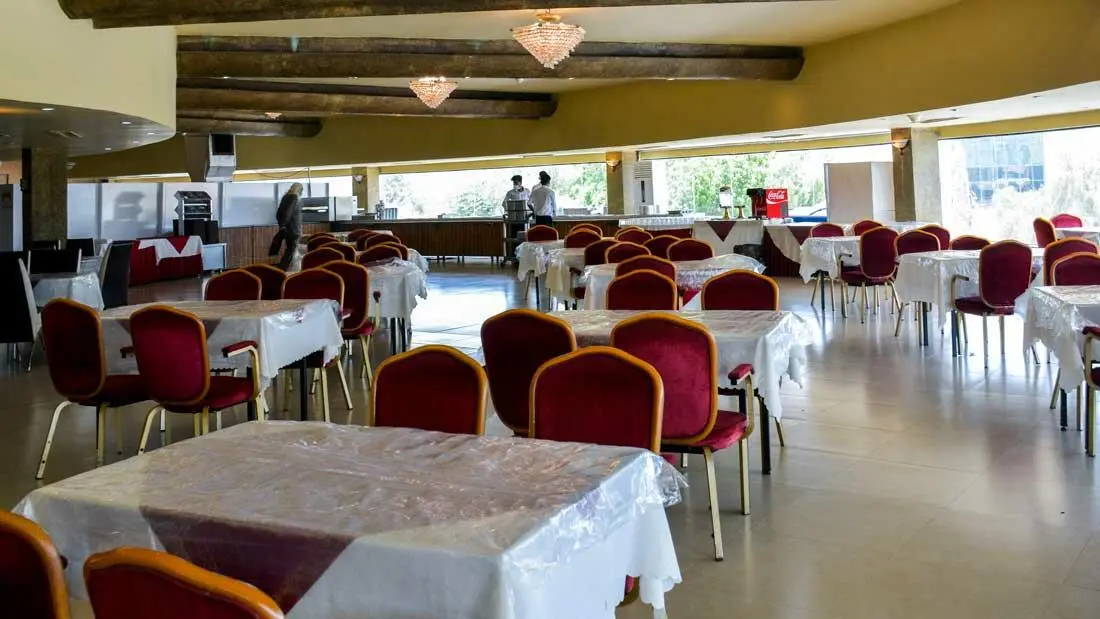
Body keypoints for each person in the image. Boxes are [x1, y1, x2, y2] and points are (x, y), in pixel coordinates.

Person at [268, 182, 303, 271]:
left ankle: (288, 269)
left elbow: (278, 214)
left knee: (290, 249)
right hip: (294, 229)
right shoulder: (294, 197)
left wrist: (282, 226)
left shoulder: (285, 197)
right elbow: (288, 213)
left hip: (287, 229)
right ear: (299, 190)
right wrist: (284, 225)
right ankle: (282, 269)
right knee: (291, 250)